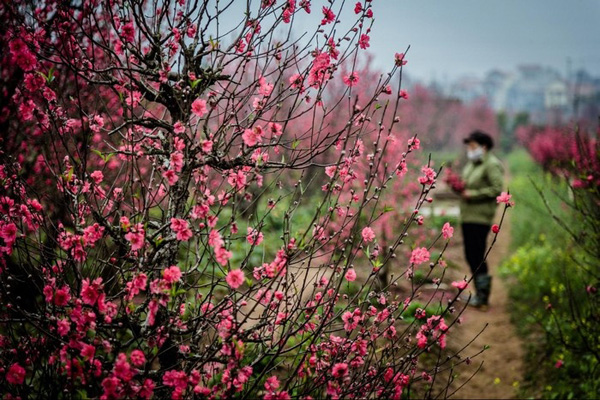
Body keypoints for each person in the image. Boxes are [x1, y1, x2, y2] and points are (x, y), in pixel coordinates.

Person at [458, 130, 504, 310]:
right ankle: (478, 293)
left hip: (481, 217)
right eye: (469, 146)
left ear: (484, 146)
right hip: (468, 216)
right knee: (470, 255)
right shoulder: (472, 164)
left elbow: (496, 189)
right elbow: (465, 185)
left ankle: (483, 297)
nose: (470, 149)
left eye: (473, 146)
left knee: (477, 255)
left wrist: (472, 194)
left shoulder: (491, 164)